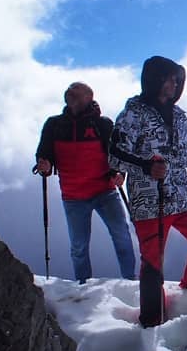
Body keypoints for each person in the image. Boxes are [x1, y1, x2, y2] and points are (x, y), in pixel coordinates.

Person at [110, 56, 187, 327]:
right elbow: (114, 156)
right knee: (153, 261)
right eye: (168, 79)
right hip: (149, 199)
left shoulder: (179, 116)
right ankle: (152, 321)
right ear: (154, 79)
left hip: (182, 195)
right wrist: (146, 166)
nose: (173, 84)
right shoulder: (133, 113)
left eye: (176, 79)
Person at [35, 82, 137, 283]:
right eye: (69, 90)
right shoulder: (54, 125)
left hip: (103, 191)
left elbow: (117, 154)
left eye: (75, 90)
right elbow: (44, 154)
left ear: (88, 98)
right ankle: (83, 286)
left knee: (121, 235)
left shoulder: (102, 125)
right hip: (74, 196)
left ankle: (130, 282)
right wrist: (44, 164)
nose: (69, 92)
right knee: (80, 245)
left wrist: (119, 174)